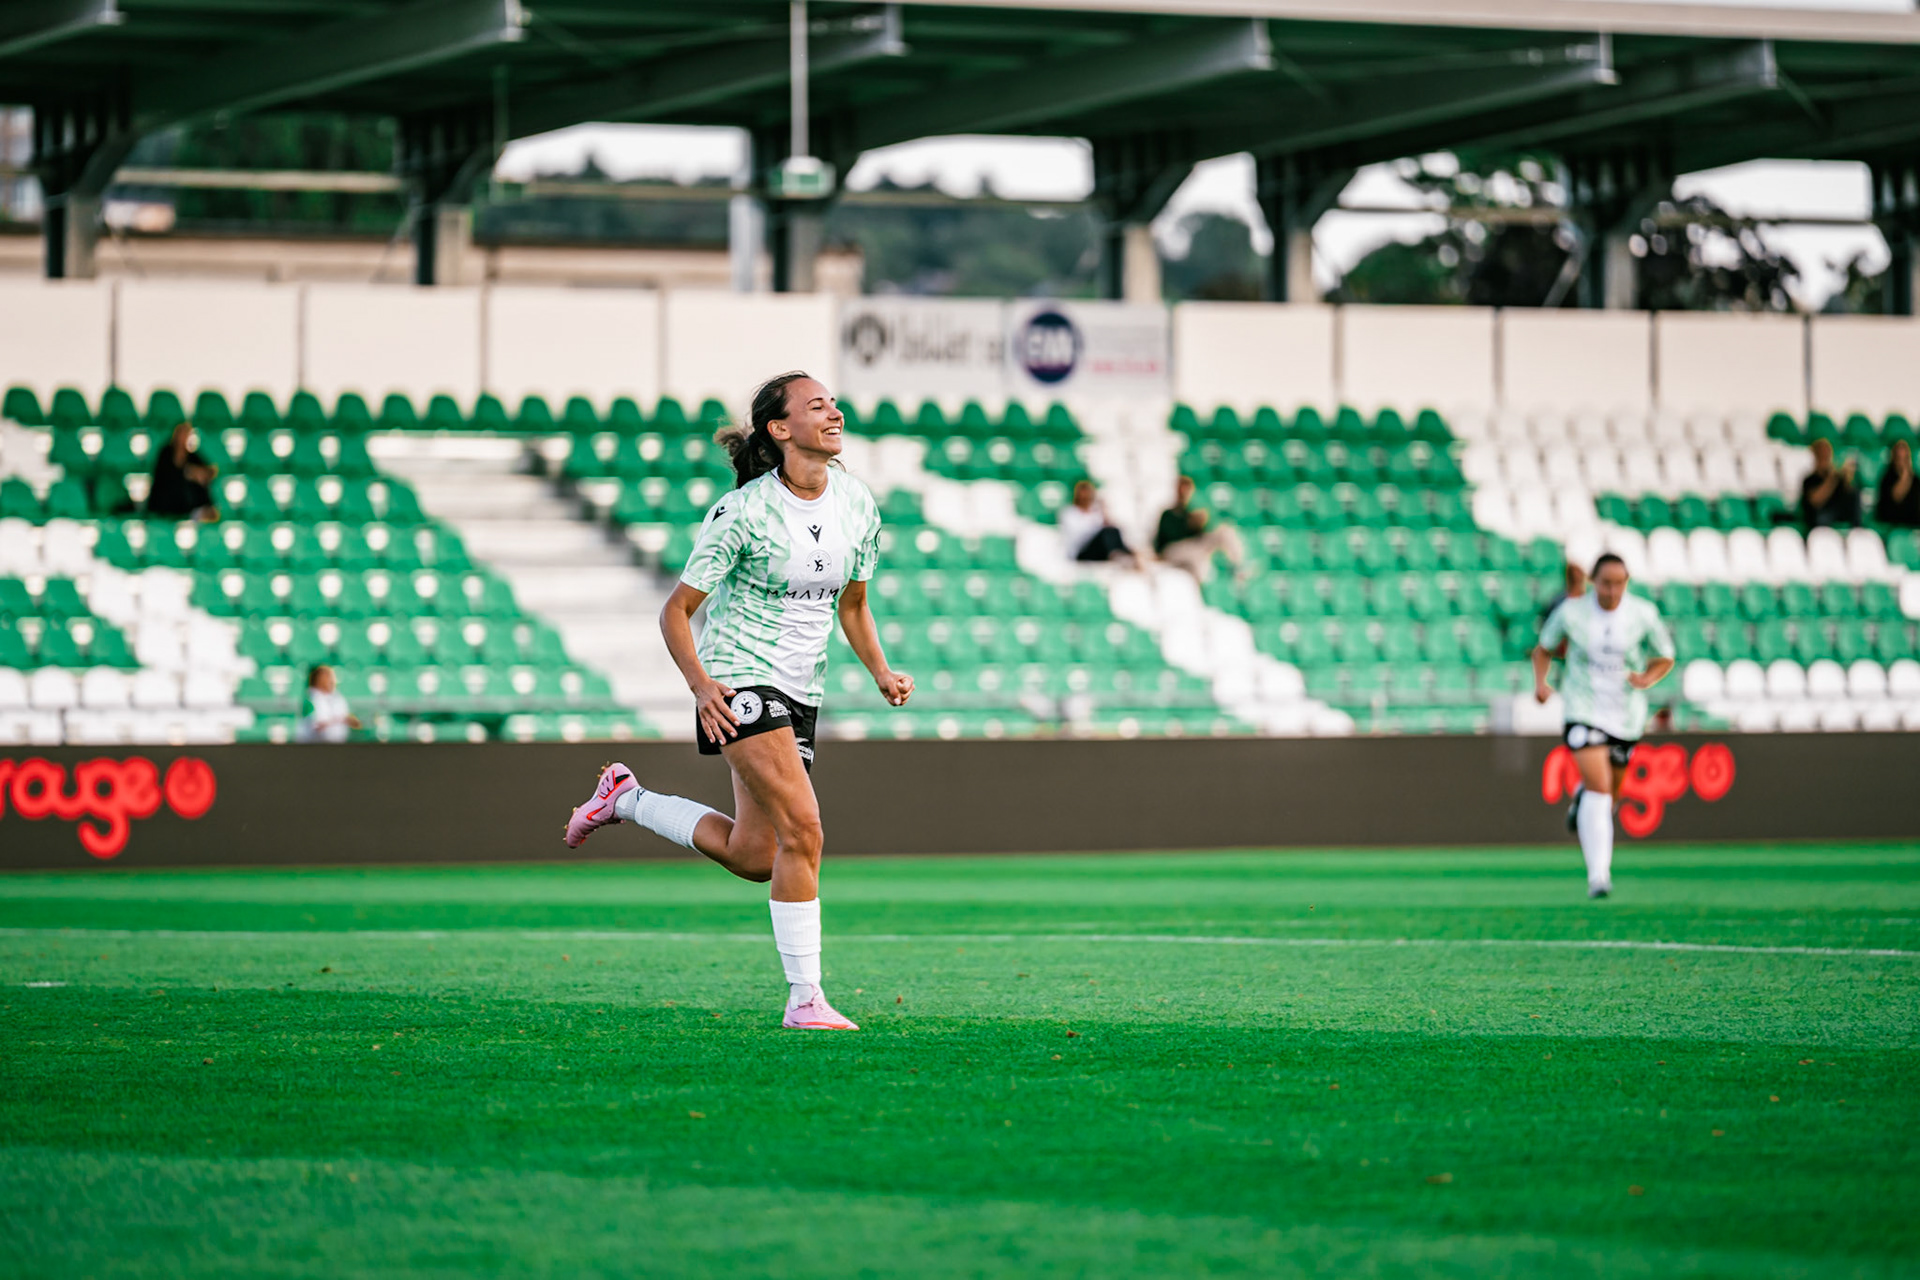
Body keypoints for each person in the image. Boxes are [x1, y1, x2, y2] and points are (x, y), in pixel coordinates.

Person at [561, 372, 912, 1032]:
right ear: (781, 429)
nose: (834, 412)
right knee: (805, 829)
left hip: (802, 688)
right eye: (817, 405)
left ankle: (626, 799)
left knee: (756, 854)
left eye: (834, 403)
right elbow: (676, 611)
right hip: (740, 679)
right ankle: (805, 998)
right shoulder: (743, 512)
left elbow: (855, 604)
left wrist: (881, 671)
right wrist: (702, 687)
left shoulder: (857, 504)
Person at [1532, 553, 1675, 899]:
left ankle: (1583, 798)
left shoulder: (1642, 614)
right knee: (1600, 788)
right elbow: (1543, 649)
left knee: (1611, 793)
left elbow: (1665, 656)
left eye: (1618, 583)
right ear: (1594, 582)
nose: (1612, 591)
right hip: (1582, 707)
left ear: (1627, 583)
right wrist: (1541, 684)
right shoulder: (1571, 612)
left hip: (1626, 714)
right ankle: (1599, 876)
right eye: (1606, 583)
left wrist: (1647, 678)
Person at [1153, 475, 1247, 583]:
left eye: (1187, 490)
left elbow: (1199, 536)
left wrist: (1200, 525)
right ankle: (1200, 586)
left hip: (1193, 547)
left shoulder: (1190, 513)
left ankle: (1238, 567)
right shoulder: (1168, 514)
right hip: (1171, 551)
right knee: (1198, 556)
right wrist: (1188, 525)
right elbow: (1166, 539)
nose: (1184, 493)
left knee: (1224, 531)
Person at [147, 421, 219, 521]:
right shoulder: (166, 453)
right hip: (166, 503)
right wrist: (188, 472)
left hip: (189, 503)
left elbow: (210, 471)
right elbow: (165, 477)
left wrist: (199, 473)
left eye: (186, 434)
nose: (184, 437)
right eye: (181, 434)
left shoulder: (192, 456)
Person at [1058, 478, 1137, 567]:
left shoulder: (1096, 513)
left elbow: (1109, 527)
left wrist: (1103, 510)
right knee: (1105, 533)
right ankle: (1117, 555)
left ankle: (1125, 554)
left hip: (1099, 549)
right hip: (1081, 551)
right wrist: (1097, 530)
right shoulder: (1070, 512)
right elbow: (1077, 534)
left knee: (1114, 530)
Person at [1799, 438, 1861, 529]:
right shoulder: (1809, 480)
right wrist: (1832, 479)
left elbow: (1849, 494)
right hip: (1818, 520)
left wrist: (1848, 476)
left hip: (1837, 515)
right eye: (1822, 455)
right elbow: (1816, 501)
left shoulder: (1838, 477)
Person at [294, 664, 360, 743]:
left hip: (338, 744)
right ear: (317, 679)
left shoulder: (338, 697)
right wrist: (341, 720)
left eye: (331, 676)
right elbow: (316, 726)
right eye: (326, 676)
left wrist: (350, 721)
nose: (331, 680)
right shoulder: (310, 698)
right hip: (313, 745)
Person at [1874, 439, 1920, 528]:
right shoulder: (1887, 478)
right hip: (1891, 524)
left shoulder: (1915, 480)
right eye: (1899, 458)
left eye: (1905, 458)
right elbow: (1896, 496)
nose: (1902, 462)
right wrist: (1905, 475)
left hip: (1912, 526)